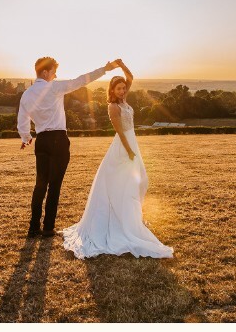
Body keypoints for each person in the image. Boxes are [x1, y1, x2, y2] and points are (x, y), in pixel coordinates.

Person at [62, 60, 173, 258]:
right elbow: (120, 132)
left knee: (140, 181)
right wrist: (130, 151)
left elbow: (130, 78)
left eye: (123, 88)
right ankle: (122, 221)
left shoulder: (124, 100)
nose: (122, 91)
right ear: (112, 91)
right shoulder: (113, 107)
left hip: (132, 143)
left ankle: (131, 218)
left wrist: (122, 65)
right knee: (126, 184)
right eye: (118, 89)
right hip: (123, 146)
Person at [18, 56, 118, 238]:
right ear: (46, 72)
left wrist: (26, 137)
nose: (55, 76)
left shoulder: (27, 94)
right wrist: (105, 69)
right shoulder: (54, 88)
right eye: (54, 72)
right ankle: (48, 228)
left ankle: (33, 227)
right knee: (54, 185)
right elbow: (81, 80)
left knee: (40, 184)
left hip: (41, 140)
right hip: (58, 138)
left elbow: (22, 119)